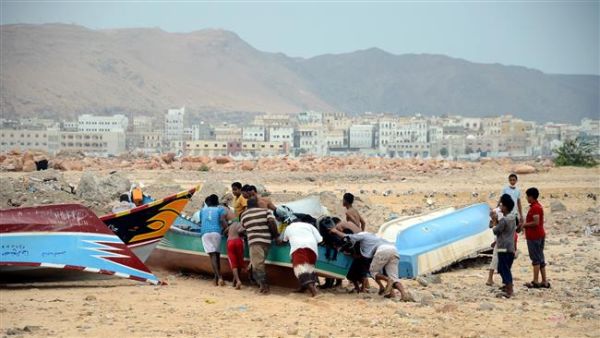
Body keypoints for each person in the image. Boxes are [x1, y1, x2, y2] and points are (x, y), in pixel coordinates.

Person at [330, 229, 409, 300]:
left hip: (382, 250)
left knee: (373, 272)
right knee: (394, 277)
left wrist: (336, 231)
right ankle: (403, 295)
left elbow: (348, 236)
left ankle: (388, 280)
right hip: (394, 250)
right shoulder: (375, 236)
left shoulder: (363, 235)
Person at [240, 197, 277, 294]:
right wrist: (276, 236)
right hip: (267, 241)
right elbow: (272, 223)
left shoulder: (244, 215)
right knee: (259, 262)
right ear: (257, 203)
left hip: (254, 242)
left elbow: (242, 229)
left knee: (258, 265)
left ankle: (264, 286)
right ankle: (259, 283)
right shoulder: (266, 211)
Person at [278, 219, 323, 297]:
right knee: (309, 269)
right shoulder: (310, 226)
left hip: (298, 247)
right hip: (312, 248)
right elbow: (320, 240)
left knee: (300, 270)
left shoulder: (289, 227)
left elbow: (284, 240)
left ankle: (314, 291)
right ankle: (303, 288)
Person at [522, 187, 550, 289]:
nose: (526, 198)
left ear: (530, 197)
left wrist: (524, 225)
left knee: (536, 259)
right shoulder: (537, 206)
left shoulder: (535, 208)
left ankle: (535, 281)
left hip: (534, 236)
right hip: (539, 235)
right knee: (540, 258)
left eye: (527, 196)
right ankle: (544, 281)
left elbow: (536, 222)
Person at [490, 194, 517, 298]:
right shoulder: (513, 218)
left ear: (505, 207)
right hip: (510, 246)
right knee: (505, 268)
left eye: (501, 205)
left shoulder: (504, 220)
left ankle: (509, 290)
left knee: (503, 268)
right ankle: (507, 286)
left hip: (503, 247)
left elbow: (495, 230)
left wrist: (494, 220)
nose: (500, 207)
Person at [199, 194, 228, 286]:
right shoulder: (220, 209)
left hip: (205, 233)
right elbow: (223, 221)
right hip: (216, 232)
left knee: (212, 256)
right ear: (217, 202)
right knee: (217, 255)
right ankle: (216, 278)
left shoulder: (202, 210)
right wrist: (227, 229)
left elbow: (201, 221)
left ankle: (219, 277)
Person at [225, 221, 245, 289]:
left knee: (233, 263)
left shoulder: (231, 225)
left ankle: (237, 281)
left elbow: (225, 231)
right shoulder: (240, 224)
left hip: (230, 242)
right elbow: (241, 231)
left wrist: (228, 235)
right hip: (239, 241)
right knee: (239, 262)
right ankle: (235, 282)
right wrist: (243, 235)